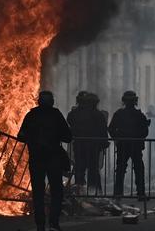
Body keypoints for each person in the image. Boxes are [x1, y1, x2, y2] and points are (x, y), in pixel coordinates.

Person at [17, 91, 72, 231]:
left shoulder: (32, 115)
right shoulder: (56, 115)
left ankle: (40, 224)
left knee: (38, 193)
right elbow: (68, 136)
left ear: (39, 101)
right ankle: (53, 223)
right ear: (52, 102)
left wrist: (33, 138)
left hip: (37, 159)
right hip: (52, 158)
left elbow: (21, 136)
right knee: (56, 191)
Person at [109, 91, 150, 200]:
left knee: (121, 169)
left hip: (124, 145)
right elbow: (145, 132)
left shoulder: (119, 114)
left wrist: (118, 138)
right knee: (138, 169)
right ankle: (140, 193)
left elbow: (111, 129)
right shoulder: (139, 115)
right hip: (134, 146)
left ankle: (118, 193)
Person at [67, 92, 108, 194]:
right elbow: (103, 130)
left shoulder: (75, 113)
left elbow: (70, 121)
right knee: (93, 169)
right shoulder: (98, 114)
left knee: (79, 168)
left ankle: (79, 191)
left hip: (79, 145)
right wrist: (104, 143)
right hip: (93, 146)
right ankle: (94, 192)